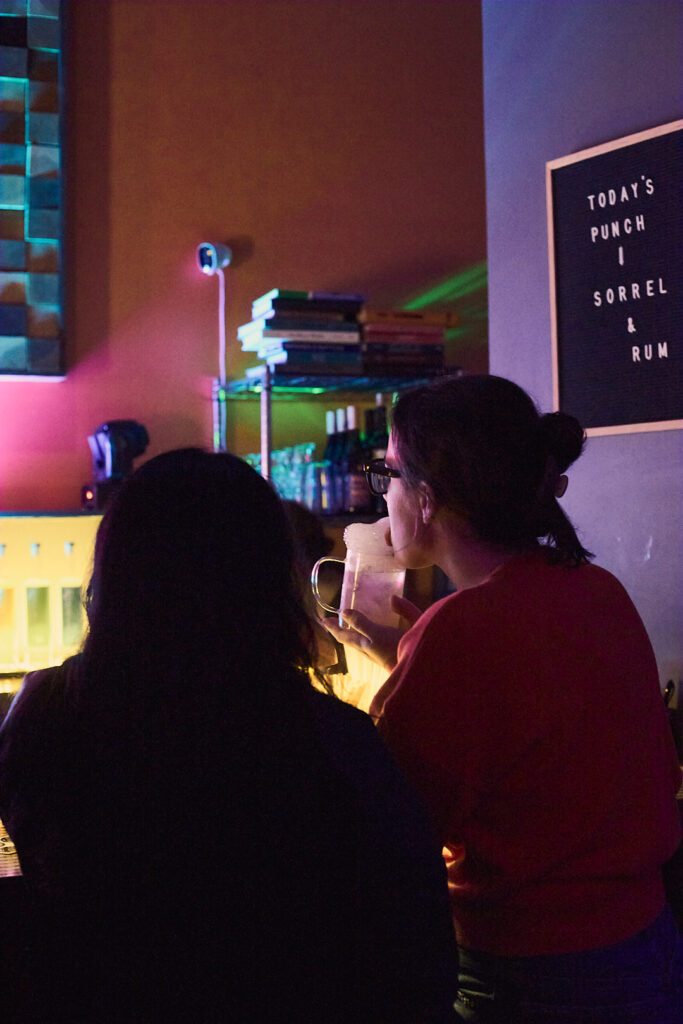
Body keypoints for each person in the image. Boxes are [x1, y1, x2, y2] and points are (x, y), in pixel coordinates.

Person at [0, 448, 459, 1023]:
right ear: (271, 582)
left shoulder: (47, 713)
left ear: (115, 573)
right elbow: (418, 961)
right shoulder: (333, 742)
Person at [323, 374, 683, 1023]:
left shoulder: (462, 631)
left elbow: (400, 823)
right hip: (644, 943)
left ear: (427, 496)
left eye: (391, 474)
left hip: (532, 969)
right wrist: (409, 659)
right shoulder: (594, 588)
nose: (386, 494)